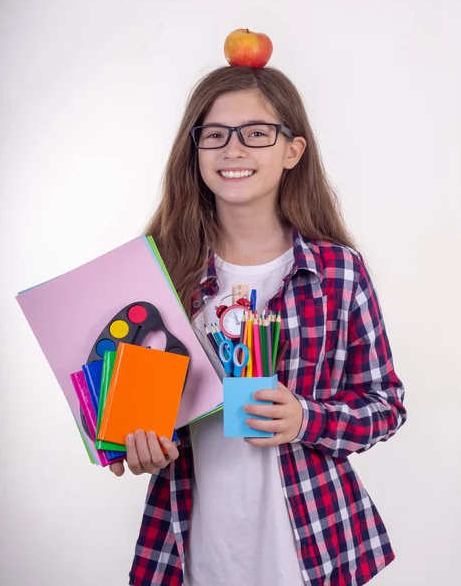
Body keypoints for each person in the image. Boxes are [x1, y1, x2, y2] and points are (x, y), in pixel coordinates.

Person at [110, 65, 407, 586]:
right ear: (194, 150)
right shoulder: (159, 274)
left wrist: (306, 419)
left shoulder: (338, 273)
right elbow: (123, 412)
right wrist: (133, 445)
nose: (233, 150)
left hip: (314, 545)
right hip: (191, 549)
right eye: (215, 135)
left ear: (292, 151)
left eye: (256, 134)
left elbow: (385, 405)